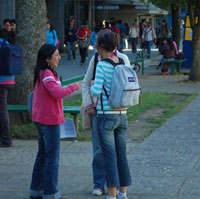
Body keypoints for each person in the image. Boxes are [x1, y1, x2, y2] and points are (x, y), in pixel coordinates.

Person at [82, 31, 130, 196]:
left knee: (108, 156)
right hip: (122, 114)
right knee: (121, 156)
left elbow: (94, 88)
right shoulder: (121, 61)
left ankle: (111, 194)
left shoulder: (101, 64)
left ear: (101, 46)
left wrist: (96, 86)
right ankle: (123, 193)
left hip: (105, 114)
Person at [29, 44, 80, 199]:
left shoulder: (43, 73)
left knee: (42, 155)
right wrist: (76, 86)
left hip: (41, 119)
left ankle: (36, 190)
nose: (59, 57)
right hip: (49, 121)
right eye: (56, 55)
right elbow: (58, 93)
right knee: (52, 158)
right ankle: (50, 192)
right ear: (47, 59)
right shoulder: (47, 74)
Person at [0, 39, 14, 147]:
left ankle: (5, 139)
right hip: (10, 79)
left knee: (2, 110)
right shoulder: (5, 42)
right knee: (3, 109)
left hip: (1, 81)